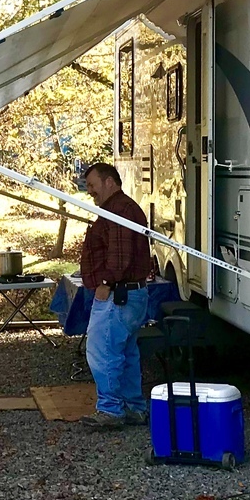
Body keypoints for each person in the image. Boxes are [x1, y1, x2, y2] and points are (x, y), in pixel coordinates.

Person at [77, 162, 154, 429]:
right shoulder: (121, 208)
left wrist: (105, 283)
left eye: (92, 185)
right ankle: (134, 407)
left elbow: (120, 257)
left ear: (109, 182)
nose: (90, 191)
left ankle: (110, 409)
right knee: (127, 353)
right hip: (132, 294)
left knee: (102, 352)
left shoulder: (119, 211)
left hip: (118, 294)